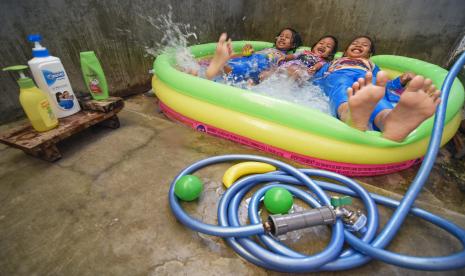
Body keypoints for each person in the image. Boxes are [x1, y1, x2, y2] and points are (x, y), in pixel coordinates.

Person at [313, 36, 441, 142]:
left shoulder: (371, 65)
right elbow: (319, 79)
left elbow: (386, 85)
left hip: (366, 77)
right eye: (355, 43)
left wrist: (401, 80)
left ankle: (388, 120)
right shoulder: (334, 62)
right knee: (342, 87)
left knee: (375, 92)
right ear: (345, 51)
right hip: (340, 75)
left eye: (364, 45)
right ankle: (349, 114)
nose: (359, 45)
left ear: (369, 54)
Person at [206, 28, 302, 82]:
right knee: (231, 65)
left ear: (293, 45)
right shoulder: (267, 49)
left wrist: (268, 73)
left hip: (261, 65)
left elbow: (280, 68)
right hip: (251, 59)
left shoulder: (284, 57)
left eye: (287, 37)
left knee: (233, 70)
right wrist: (247, 52)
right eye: (281, 36)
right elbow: (251, 54)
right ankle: (219, 63)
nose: (282, 38)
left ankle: (218, 65)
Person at [270, 35, 338, 82]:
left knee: (295, 73)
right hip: (291, 65)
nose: (323, 46)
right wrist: (285, 57)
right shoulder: (304, 52)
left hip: (302, 70)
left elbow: (318, 65)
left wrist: (314, 68)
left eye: (328, 46)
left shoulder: (322, 61)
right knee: (272, 71)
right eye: (321, 43)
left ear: (330, 54)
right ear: (314, 45)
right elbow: (293, 56)